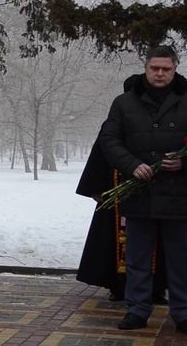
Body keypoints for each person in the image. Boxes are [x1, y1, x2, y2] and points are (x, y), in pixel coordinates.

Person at [100, 45, 187, 332]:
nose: (160, 73)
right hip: (140, 191)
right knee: (137, 257)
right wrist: (132, 165)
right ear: (145, 66)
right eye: (155, 68)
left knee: (181, 258)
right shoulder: (124, 102)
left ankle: (183, 313)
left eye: (166, 69)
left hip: (180, 195)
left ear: (175, 69)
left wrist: (184, 164)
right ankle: (137, 311)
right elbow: (110, 140)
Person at [76, 78, 167, 303]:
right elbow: (101, 153)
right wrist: (96, 189)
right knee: (116, 242)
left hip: (156, 191)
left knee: (156, 241)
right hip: (117, 192)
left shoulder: (161, 120)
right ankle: (118, 287)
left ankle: (155, 288)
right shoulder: (114, 122)